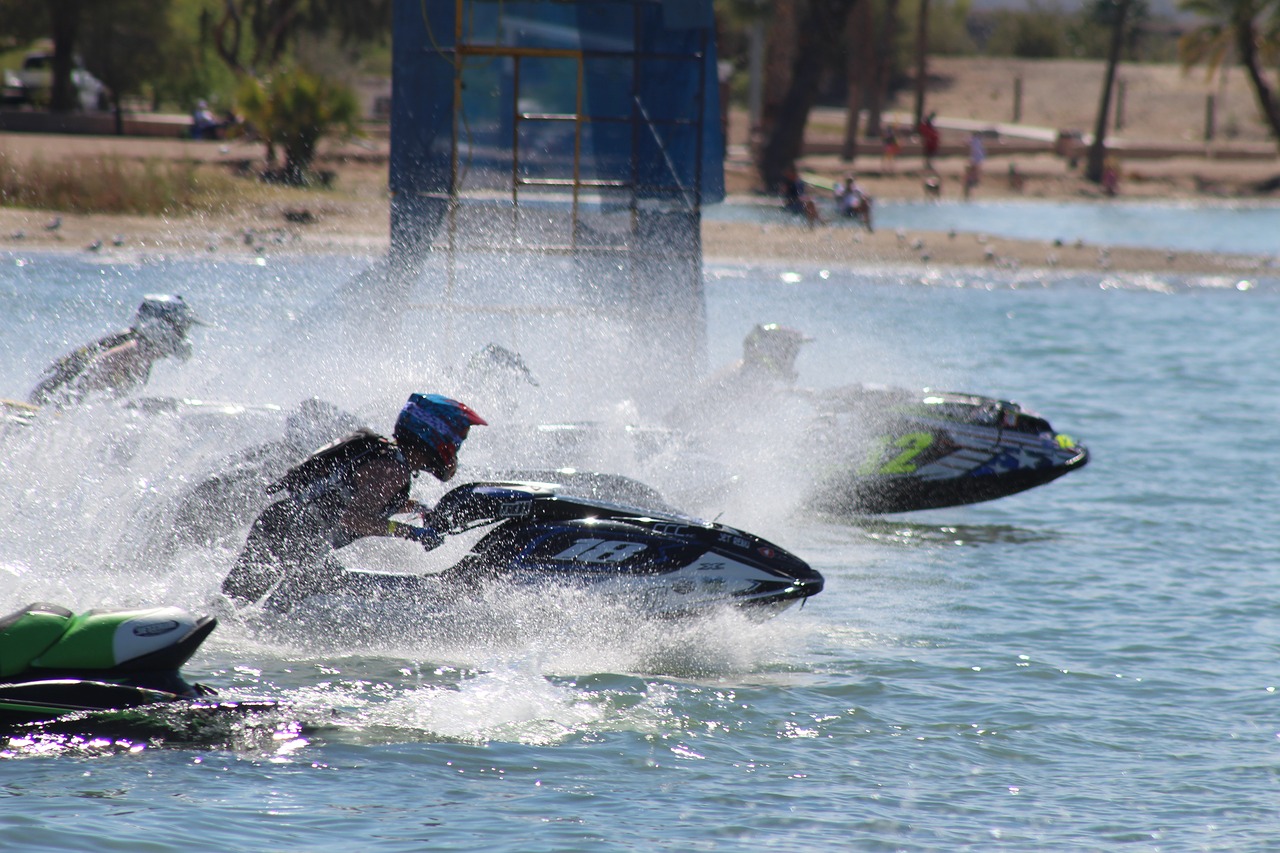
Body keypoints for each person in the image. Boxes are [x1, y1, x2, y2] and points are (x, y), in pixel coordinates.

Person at [220, 393, 487, 610]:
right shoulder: (392, 470)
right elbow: (354, 518)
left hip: (290, 528)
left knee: (242, 601)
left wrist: (417, 508)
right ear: (436, 437)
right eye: (457, 441)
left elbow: (367, 500)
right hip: (292, 534)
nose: (456, 450)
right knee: (238, 603)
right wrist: (411, 533)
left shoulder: (390, 458)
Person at [28, 294, 204, 407]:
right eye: (182, 328)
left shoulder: (138, 348)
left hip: (47, 404)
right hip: (44, 408)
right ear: (162, 325)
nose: (184, 337)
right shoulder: (133, 349)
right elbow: (83, 382)